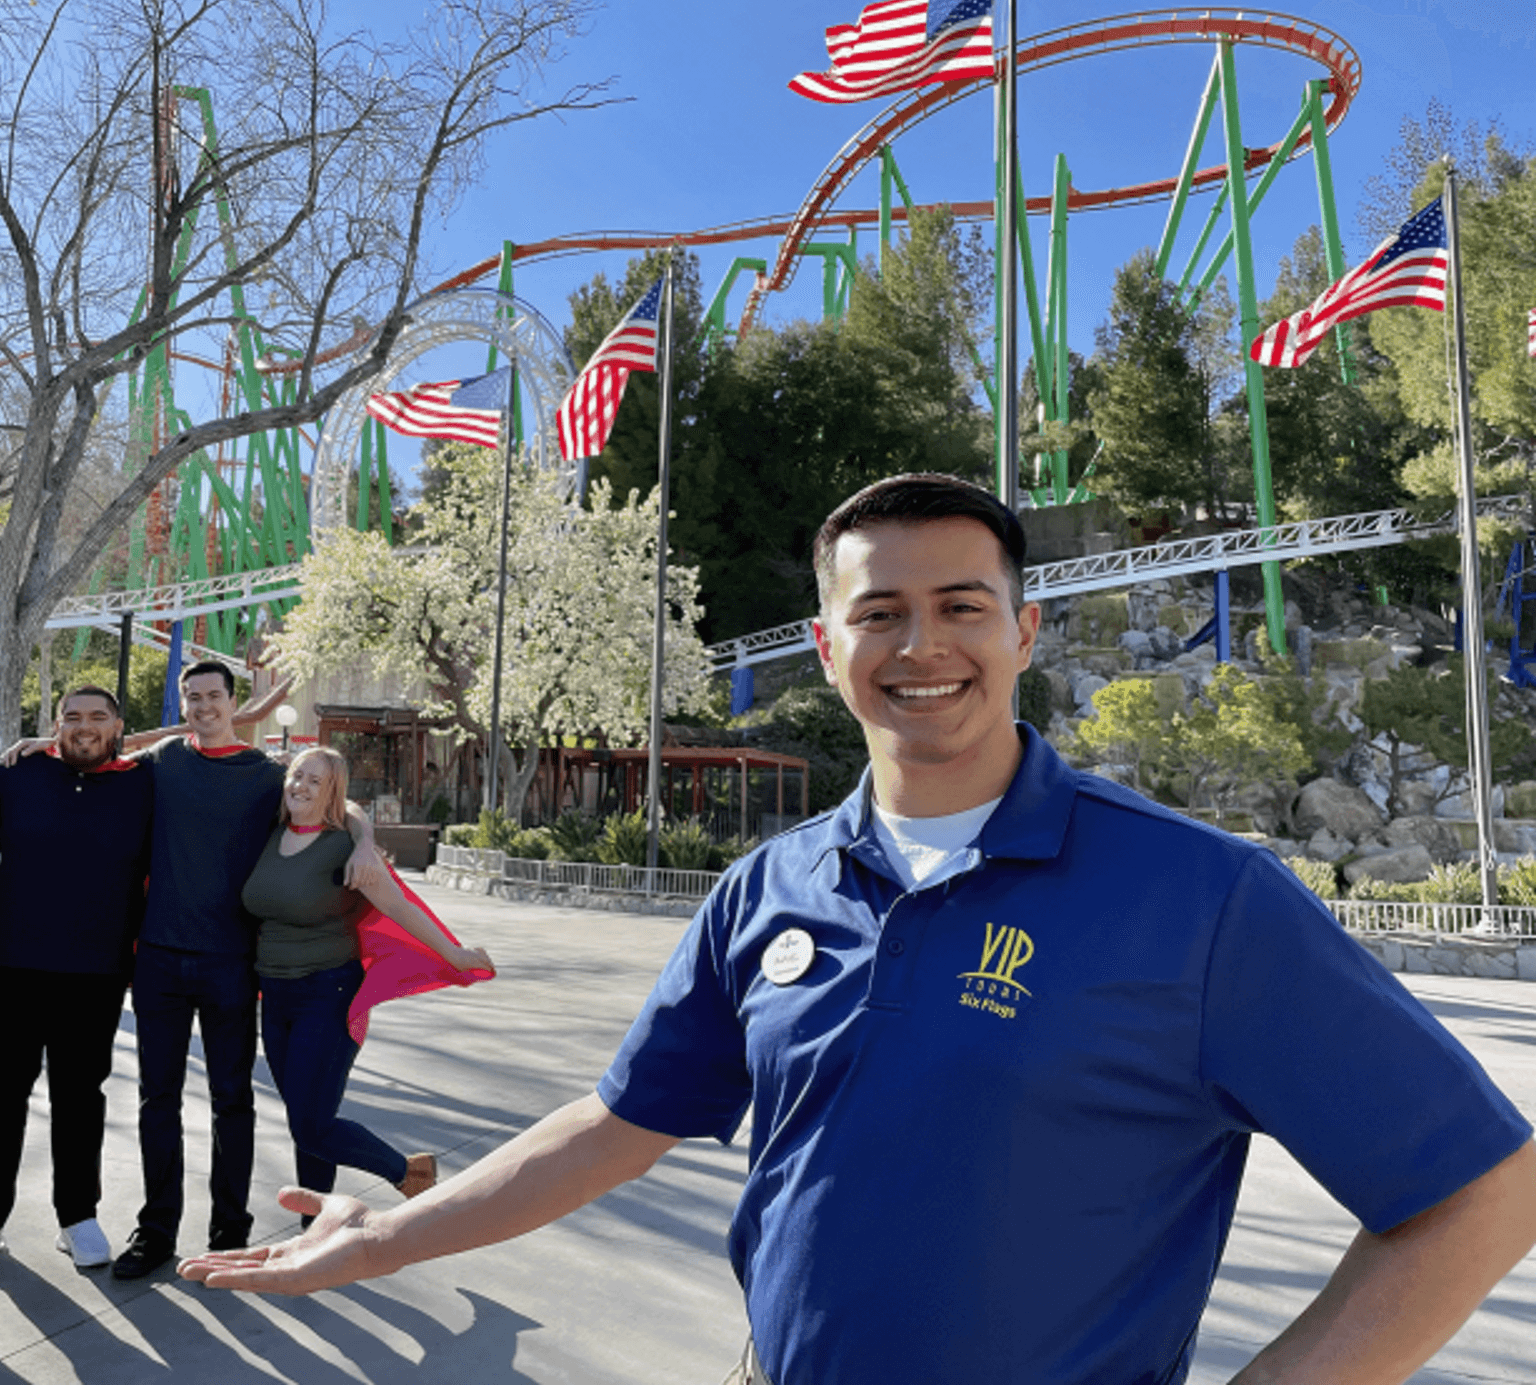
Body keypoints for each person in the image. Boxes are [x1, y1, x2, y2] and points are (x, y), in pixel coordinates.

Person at [177, 475, 1536, 1385]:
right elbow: (614, 1126)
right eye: (877, 612)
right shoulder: (770, 891)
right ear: (827, 649)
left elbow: (1481, 1188)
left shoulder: (1198, 897)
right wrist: (387, 1241)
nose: (919, 642)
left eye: (960, 606)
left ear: (1024, 630)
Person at [112, 659, 385, 1280]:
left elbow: (337, 802)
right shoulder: (166, 762)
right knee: (158, 1098)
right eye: (193, 697)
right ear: (182, 705)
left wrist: (365, 839)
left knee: (232, 1100)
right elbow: (105, 747)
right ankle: (155, 1229)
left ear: (233, 703)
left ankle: (229, 1230)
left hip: (233, 963)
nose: (204, 705)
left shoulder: (267, 777)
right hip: (158, 957)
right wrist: (34, 744)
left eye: (214, 695)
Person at [0, 685, 153, 1273]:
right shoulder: (16, 777)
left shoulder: (143, 785)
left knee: (80, 1100)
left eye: (97, 718)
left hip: (97, 973)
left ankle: (78, 1218)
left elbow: (187, 738)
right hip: (10, 965)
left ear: (117, 726)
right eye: (72, 717)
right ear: (56, 723)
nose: (84, 727)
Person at [244, 747, 493, 1221]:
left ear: (333, 791)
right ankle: (316, 1223)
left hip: (328, 994)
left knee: (313, 1125)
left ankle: (406, 1171)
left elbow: (400, 907)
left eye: (315, 781)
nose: (300, 786)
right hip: (275, 997)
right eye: (297, 776)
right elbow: (354, 811)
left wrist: (455, 955)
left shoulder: (343, 849)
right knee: (307, 1119)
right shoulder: (271, 835)